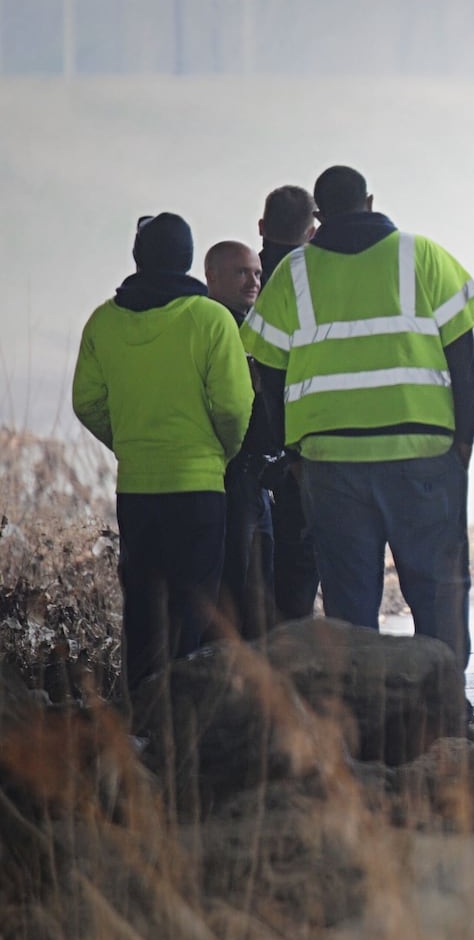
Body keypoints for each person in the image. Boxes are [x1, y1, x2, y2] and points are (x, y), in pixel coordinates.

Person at [240, 166, 474, 667]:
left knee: (350, 600)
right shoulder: (423, 255)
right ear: (370, 201)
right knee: (437, 588)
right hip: (424, 453)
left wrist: (293, 451)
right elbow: (463, 357)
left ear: (319, 216)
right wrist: (464, 439)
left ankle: (361, 716)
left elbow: (267, 375)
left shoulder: (292, 273)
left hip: (330, 462)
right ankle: (444, 705)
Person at [72, 213, 253, 722]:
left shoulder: (103, 321)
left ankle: (143, 720)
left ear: (138, 257)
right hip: (199, 486)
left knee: (145, 609)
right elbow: (234, 408)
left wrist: (128, 443)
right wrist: (220, 452)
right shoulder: (211, 319)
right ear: (189, 258)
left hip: (137, 486)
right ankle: (186, 718)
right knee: (194, 606)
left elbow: (86, 401)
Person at [203, 240, 277, 639]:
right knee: (234, 584)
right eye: (241, 273)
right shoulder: (212, 325)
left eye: (257, 273)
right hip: (230, 473)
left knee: (260, 584)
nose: (254, 281)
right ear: (211, 276)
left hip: (257, 475)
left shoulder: (252, 324)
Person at [258, 185, 321, 622]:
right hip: (305, 442)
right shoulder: (313, 278)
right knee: (303, 561)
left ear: (262, 227)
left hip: (251, 449)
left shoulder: (243, 277)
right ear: (312, 229)